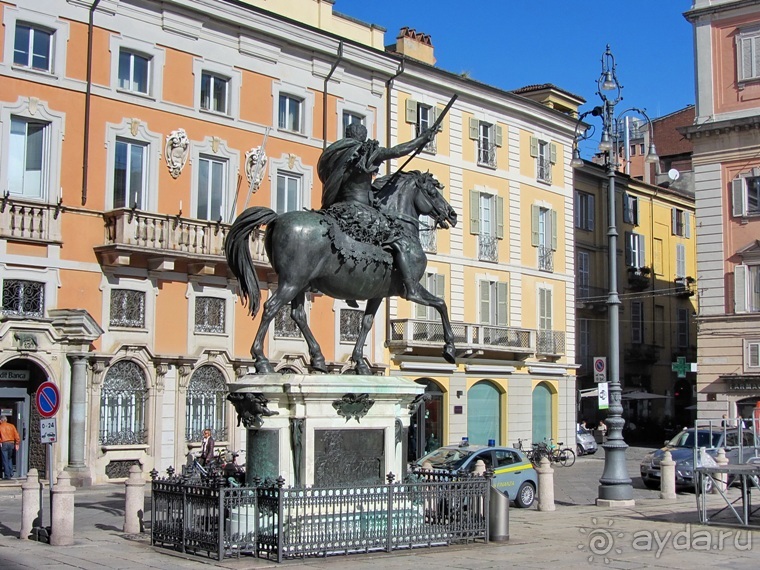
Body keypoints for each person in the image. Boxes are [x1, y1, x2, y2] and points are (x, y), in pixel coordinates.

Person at [317, 122, 438, 298]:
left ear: (347, 134)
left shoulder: (337, 155)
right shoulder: (366, 152)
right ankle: (410, 287)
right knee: (398, 237)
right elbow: (398, 151)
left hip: (337, 208)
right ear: (363, 137)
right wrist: (421, 139)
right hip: (358, 210)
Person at [0, 415, 21, 480]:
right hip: (11, 443)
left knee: (5, 459)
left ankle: (7, 475)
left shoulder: (0, 427)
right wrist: (17, 443)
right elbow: (17, 436)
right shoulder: (12, 426)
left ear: (1, 420)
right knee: (9, 458)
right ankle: (11, 472)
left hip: (4, 443)